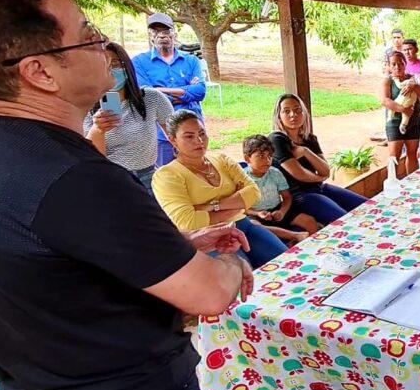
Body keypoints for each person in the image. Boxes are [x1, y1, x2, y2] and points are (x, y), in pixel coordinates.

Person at [0, 0, 253, 390]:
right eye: (88, 35)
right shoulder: (75, 175)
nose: (105, 48)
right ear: (40, 71)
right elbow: (208, 294)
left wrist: (183, 243)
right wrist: (230, 267)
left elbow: (55, 260)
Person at [153, 110, 288, 268]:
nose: (199, 140)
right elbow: (187, 222)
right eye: (189, 136)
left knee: (286, 263)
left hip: (243, 224)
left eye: (202, 133)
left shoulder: (222, 160)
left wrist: (211, 206)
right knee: (244, 279)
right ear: (173, 140)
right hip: (208, 238)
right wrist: (237, 203)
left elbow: (253, 193)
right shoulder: (167, 175)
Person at [83, 42, 174, 189]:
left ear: (126, 66)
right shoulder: (86, 107)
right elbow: (92, 157)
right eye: (102, 64)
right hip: (110, 180)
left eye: (115, 63)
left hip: (149, 178)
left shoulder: (152, 98)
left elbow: (176, 134)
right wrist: (98, 130)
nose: (110, 69)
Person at [269, 94, 366, 225]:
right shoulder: (277, 139)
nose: (293, 115)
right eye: (286, 111)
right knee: (347, 222)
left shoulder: (309, 138)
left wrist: (306, 151)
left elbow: (325, 170)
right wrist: (319, 178)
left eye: (298, 110)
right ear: (279, 116)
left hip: (320, 188)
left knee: (369, 207)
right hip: (299, 196)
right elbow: (299, 173)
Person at [132, 12, 205, 168]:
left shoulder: (191, 60)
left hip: (193, 131)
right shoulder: (139, 62)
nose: (162, 35)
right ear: (150, 35)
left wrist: (161, 91)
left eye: (166, 31)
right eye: (156, 31)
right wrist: (186, 93)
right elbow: (147, 96)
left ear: (174, 34)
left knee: (196, 176)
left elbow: (200, 91)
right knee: (166, 179)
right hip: (160, 135)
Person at [242, 134, 318, 243]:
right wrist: (257, 213)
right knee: (255, 226)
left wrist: (282, 211)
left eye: (270, 156)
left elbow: (287, 197)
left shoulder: (275, 173)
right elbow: (241, 208)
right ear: (247, 158)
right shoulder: (242, 179)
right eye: (261, 156)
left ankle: (314, 246)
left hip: (277, 209)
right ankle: (296, 236)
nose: (267, 161)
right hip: (256, 215)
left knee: (309, 221)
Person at [381, 51, 420, 173]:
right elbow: (385, 101)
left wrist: (415, 87)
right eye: (393, 64)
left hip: (414, 122)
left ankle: (412, 184)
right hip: (395, 123)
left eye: (400, 63)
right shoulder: (388, 81)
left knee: (412, 156)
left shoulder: (412, 79)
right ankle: (392, 185)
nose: (397, 67)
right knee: (394, 158)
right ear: (389, 66)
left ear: (405, 64)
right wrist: (404, 110)